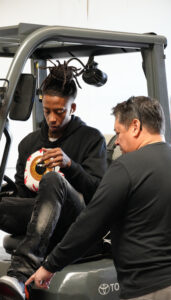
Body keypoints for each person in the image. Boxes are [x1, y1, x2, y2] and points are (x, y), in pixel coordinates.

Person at [25, 95, 171, 300]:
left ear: (135, 126)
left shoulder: (126, 167)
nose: (116, 141)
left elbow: (91, 224)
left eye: (118, 132)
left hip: (153, 289)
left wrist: (49, 266)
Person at [0, 60, 107, 300]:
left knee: (52, 180)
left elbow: (99, 194)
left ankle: (20, 273)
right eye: (47, 110)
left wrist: (70, 166)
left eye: (59, 111)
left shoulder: (91, 139)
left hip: (76, 219)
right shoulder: (28, 143)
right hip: (40, 218)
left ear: (73, 107)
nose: (52, 118)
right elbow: (23, 197)